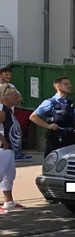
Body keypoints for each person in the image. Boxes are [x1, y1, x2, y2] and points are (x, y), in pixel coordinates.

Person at [31, 74, 75, 152]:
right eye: (66, 84)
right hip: (55, 139)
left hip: (70, 138)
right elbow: (33, 117)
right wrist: (48, 126)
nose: (69, 86)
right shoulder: (49, 102)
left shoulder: (71, 103)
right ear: (58, 87)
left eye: (69, 84)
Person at [0, 83, 25, 211]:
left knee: (9, 175)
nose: (17, 97)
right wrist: (3, 140)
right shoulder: (2, 109)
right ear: (6, 97)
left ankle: (9, 202)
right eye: (14, 95)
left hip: (8, 149)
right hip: (2, 148)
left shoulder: (8, 108)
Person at [0, 65, 31, 160]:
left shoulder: (11, 86)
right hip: (3, 112)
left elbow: (19, 97)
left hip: (10, 112)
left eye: (10, 75)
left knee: (15, 131)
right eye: (6, 74)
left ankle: (17, 153)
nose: (8, 76)